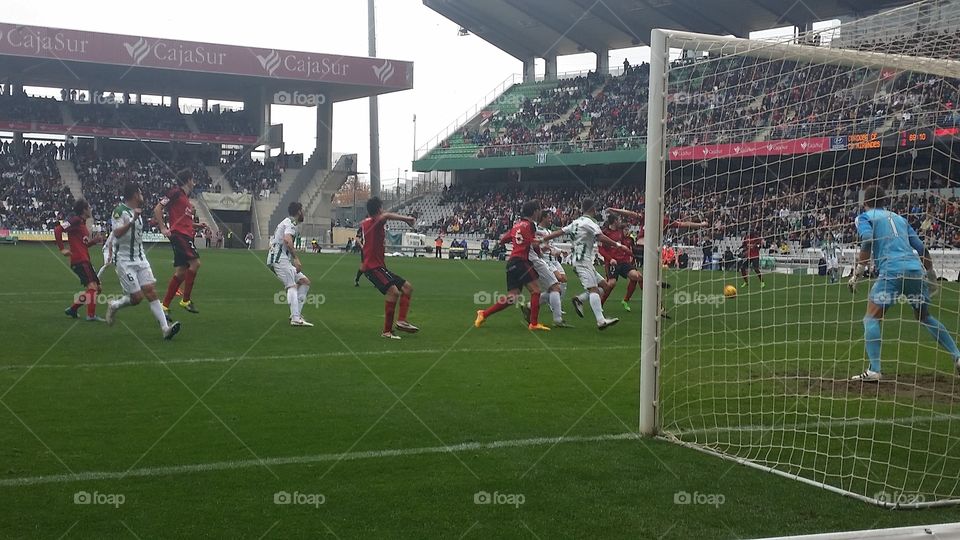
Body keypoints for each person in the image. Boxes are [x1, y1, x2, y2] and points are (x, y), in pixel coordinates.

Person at [848, 185, 960, 381]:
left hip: (892, 271)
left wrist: (858, 272)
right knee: (924, 316)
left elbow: (866, 239)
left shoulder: (865, 217)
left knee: (871, 318)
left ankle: (874, 369)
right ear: (884, 201)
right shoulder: (899, 219)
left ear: (865, 202)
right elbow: (921, 248)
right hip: (915, 271)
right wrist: (931, 275)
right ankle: (957, 356)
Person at [104, 182, 182, 340]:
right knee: (137, 298)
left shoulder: (137, 212)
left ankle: (165, 328)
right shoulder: (120, 211)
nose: (142, 196)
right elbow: (117, 233)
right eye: (140, 193)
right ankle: (114, 305)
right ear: (134, 195)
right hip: (124, 261)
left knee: (151, 291)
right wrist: (132, 220)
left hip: (140, 258)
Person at [541, 199, 627, 330]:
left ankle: (580, 299)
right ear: (593, 209)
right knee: (593, 289)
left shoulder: (576, 222)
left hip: (581, 260)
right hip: (582, 261)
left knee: (605, 286)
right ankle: (600, 320)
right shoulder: (590, 222)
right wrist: (618, 245)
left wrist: (541, 239)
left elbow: (560, 232)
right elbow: (600, 237)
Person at [474, 200, 550, 332]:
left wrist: (517, 242)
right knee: (536, 290)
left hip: (512, 263)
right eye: (539, 210)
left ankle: (483, 314)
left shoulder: (516, 225)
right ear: (534, 211)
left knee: (512, 297)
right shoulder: (530, 225)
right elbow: (533, 243)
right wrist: (540, 247)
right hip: (521, 261)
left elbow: (503, 239)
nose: (540, 212)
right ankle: (533, 323)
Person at [361, 197, 420, 339]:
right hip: (372, 267)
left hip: (379, 267)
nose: (384, 210)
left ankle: (401, 321)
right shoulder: (375, 222)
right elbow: (386, 216)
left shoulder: (368, 222)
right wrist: (408, 219)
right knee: (394, 292)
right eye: (382, 208)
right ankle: (387, 331)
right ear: (379, 209)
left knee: (407, 288)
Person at [155, 169, 201, 315]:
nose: (194, 183)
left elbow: (182, 220)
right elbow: (158, 208)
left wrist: (196, 226)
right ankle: (186, 300)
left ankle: (164, 306)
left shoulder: (185, 199)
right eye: (193, 180)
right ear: (188, 180)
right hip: (180, 236)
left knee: (181, 272)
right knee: (195, 263)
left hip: (185, 234)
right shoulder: (175, 193)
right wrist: (163, 227)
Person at [55, 199, 104, 322]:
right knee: (92, 288)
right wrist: (62, 249)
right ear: (84, 210)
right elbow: (58, 230)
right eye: (89, 207)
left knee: (98, 288)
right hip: (79, 260)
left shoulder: (81, 224)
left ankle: (73, 309)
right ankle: (91, 315)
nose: (91, 209)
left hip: (85, 259)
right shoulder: (75, 220)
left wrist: (94, 241)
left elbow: (84, 245)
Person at [521, 210, 570, 327]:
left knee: (562, 281)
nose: (550, 220)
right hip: (544, 261)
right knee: (556, 286)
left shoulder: (548, 231)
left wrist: (559, 251)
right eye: (548, 218)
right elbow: (536, 246)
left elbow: (551, 247)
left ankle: (530, 306)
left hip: (552, 260)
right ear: (542, 218)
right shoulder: (537, 230)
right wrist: (543, 249)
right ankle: (557, 315)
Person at [267, 202, 313, 327]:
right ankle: (295, 318)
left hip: (279, 258)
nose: (303, 213)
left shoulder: (286, 222)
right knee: (292, 286)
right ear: (299, 211)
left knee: (305, 281)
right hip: (279, 259)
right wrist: (296, 258)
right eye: (302, 210)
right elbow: (287, 240)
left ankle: (296, 314)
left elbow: (274, 240)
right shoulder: (290, 223)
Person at [600, 210, 644, 312]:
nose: (619, 221)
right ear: (614, 221)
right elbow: (600, 249)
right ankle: (600, 304)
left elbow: (626, 244)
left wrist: (633, 255)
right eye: (618, 219)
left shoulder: (620, 231)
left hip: (623, 262)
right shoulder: (604, 233)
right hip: (612, 263)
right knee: (611, 284)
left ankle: (631, 300)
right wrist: (610, 259)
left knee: (637, 276)